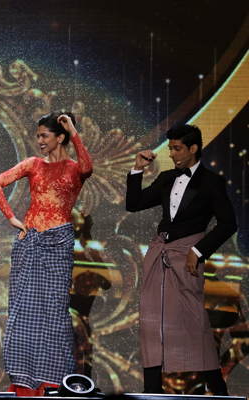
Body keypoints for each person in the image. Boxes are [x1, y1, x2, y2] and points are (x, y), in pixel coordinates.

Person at [125, 124, 237, 395]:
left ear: (193, 148)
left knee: (194, 323)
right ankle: (152, 392)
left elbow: (228, 224)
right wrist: (137, 169)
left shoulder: (211, 182)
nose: (172, 154)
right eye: (171, 148)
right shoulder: (165, 178)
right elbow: (134, 203)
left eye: (177, 149)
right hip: (159, 253)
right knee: (151, 323)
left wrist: (198, 251)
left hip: (187, 255)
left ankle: (219, 391)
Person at [0, 111, 93, 396]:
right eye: (38, 136)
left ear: (60, 137)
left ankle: (52, 383)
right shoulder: (33, 164)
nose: (39, 141)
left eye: (44, 136)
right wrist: (11, 217)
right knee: (22, 313)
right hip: (30, 241)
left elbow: (87, 167)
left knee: (55, 314)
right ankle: (22, 382)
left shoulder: (74, 168)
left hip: (58, 244)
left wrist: (73, 130)